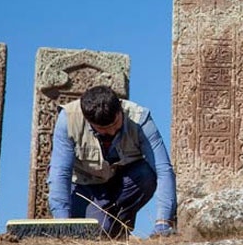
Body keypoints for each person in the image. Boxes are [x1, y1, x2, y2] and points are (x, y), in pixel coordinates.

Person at [47, 85, 178, 237]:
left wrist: (163, 221)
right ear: (88, 120)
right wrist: (62, 223)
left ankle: (121, 223)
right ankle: (109, 226)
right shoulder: (68, 119)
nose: (111, 131)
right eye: (103, 129)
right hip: (84, 187)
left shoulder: (140, 118)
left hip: (120, 184)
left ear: (120, 109)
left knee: (145, 174)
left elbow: (163, 169)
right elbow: (60, 173)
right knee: (99, 231)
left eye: (115, 124)